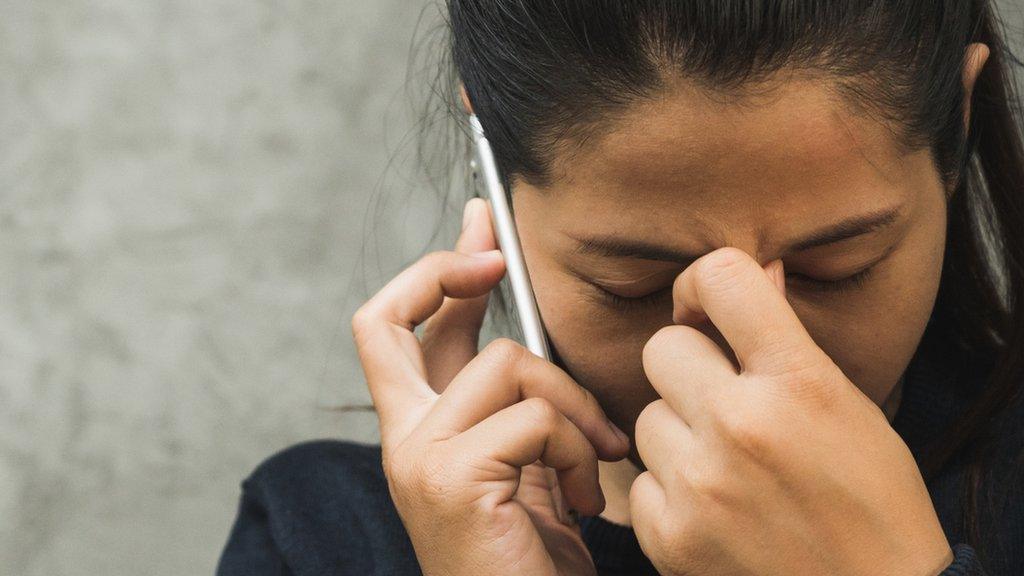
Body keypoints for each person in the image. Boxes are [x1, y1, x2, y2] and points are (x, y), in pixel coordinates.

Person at [216, 1, 1024, 574]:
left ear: (955, 122)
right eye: (634, 285)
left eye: (834, 268)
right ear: (493, 169)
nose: (745, 361)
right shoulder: (318, 536)